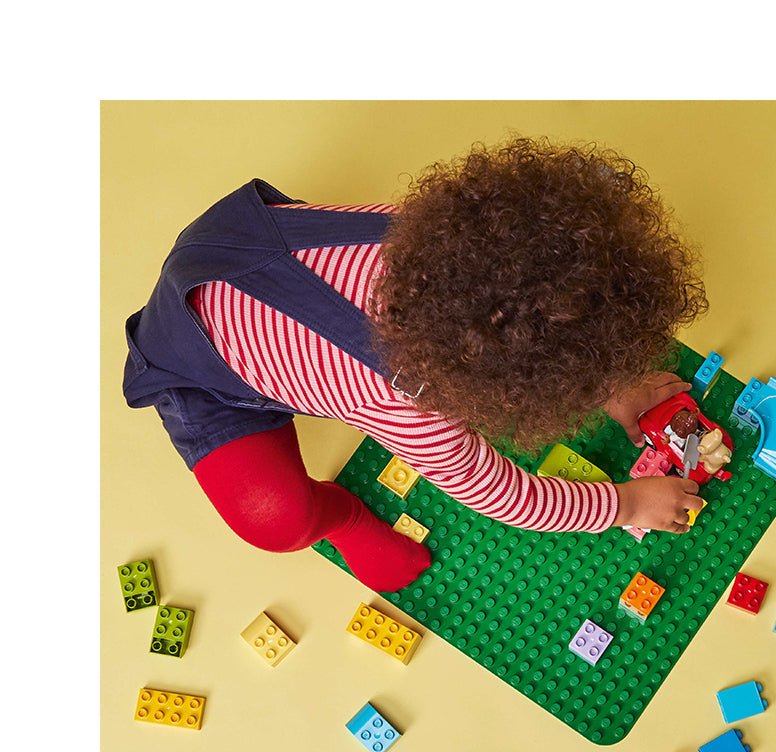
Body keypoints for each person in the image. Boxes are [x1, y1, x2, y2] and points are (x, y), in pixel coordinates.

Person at [122, 136, 708, 592]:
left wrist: (611, 383)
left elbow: (542, 304)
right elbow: (507, 495)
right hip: (201, 370)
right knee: (275, 522)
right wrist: (627, 503)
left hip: (234, 243)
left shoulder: (439, 237)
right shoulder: (410, 406)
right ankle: (343, 520)